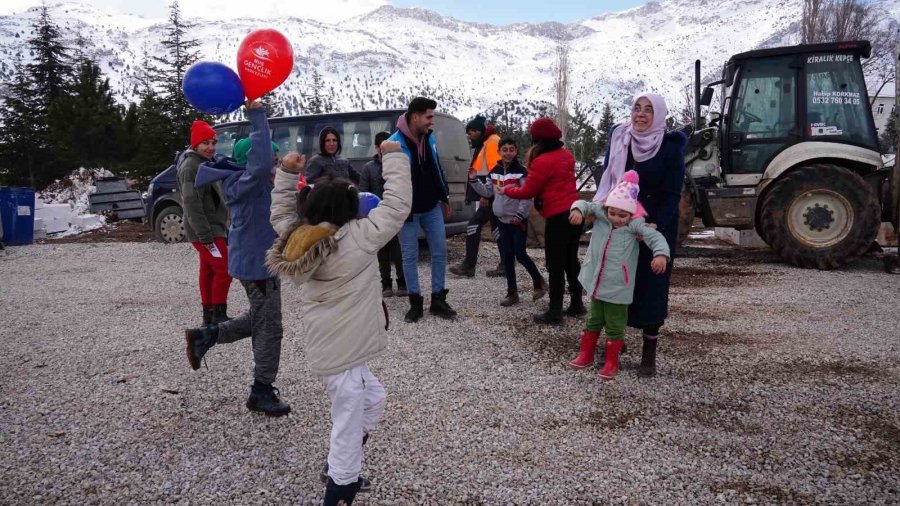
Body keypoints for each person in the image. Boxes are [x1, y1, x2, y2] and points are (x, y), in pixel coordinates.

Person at [266, 138, 412, 506]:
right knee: (348, 422)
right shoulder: (359, 238)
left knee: (374, 399)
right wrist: (393, 157)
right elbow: (396, 206)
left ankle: (337, 465)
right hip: (343, 353)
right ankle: (340, 486)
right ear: (350, 211)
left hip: (335, 346)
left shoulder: (297, 235)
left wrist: (286, 173)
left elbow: (281, 213)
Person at [181, 101, 291, 416]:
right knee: (270, 326)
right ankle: (261, 390)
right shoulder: (247, 180)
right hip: (256, 264)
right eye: (270, 157)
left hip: (258, 261)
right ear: (253, 159)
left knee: (262, 318)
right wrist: (257, 114)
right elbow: (258, 163)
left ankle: (207, 335)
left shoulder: (255, 182)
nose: (274, 161)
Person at [593, 93, 687, 377]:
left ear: (658, 115)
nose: (641, 114)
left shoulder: (670, 149)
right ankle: (615, 343)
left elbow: (672, 194)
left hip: (654, 227)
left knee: (651, 288)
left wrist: (654, 224)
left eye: (648, 110)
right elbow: (608, 178)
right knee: (616, 283)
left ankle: (649, 356)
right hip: (621, 226)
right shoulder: (622, 139)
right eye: (637, 108)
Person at [568, 170, 670, 380]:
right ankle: (585, 354)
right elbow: (584, 203)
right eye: (612, 213)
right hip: (597, 283)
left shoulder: (635, 226)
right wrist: (577, 209)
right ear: (607, 208)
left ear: (631, 214)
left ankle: (612, 362)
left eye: (622, 215)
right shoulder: (602, 216)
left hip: (618, 287)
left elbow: (655, 237)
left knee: (615, 325)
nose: (616, 218)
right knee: (593, 320)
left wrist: (661, 254)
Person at [500, 117, 585, 324]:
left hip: (557, 218)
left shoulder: (542, 160)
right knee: (571, 261)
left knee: (555, 264)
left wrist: (506, 190)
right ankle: (576, 303)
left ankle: (555, 312)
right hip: (575, 213)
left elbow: (529, 190)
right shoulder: (566, 155)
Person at [388, 96, 457, 323]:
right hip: (407, 211)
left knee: (439, 252)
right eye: (428, 117)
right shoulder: (393, 143)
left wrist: (444, 196)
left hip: (431, 207)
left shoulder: (429, 138)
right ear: (415, 116)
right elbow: (388, 180)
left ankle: (437, 299)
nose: (431, 121)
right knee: (410, 256)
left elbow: (436, 167)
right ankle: (415, 303)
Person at [467, 138, 547, 306]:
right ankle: (512, 293)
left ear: (516, 151)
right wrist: (474, 181)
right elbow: (488, 192)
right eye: (505, 149)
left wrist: (519, 216)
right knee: (508, 256)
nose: (508, 153)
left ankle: (538, 281)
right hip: (502, 221)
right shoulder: (494, 171)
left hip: (517, 221)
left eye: (511, 149)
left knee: (520, 253)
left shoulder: (521, 172)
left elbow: (526, 195)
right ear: (499, 152)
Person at [177, 119, 232, 325]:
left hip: (213, 227)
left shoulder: (204, 163)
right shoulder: (191, 167)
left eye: (213, 142)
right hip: (205, 230)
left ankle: (208, 316)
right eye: (205, 143)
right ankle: (218, 313)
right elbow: (191, 203)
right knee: (225, 269)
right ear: (195, 145)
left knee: (208, 270)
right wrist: (205, 236)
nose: (210, 147)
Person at [449, 115, 504, 278]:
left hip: (490, 194)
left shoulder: (492, 142)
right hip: (491, 193)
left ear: (478, 131)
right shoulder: (486, 142)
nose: (469, 136)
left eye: (471, 132)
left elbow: (496, 169)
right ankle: (506, 264)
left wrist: (487, 194)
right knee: (496, 228)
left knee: (473, 225)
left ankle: (469, 265)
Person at [359, 131, 407, 298]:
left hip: (394, 215)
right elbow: (363, 191)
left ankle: (403, 282)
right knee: (382, 252)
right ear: (377, 148)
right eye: (380, 147)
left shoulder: (397, 164)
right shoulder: (368, 168)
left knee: (399, 250)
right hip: (377, 216)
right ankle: (386, 283)